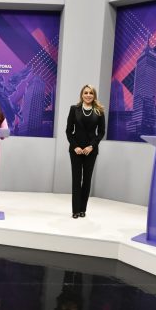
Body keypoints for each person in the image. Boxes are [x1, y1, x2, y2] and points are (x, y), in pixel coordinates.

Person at [66, 85, 105, 219]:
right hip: (75, 150)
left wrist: (91, 146)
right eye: (86, 93)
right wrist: (75, 146)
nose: (88, 95)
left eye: (91, 93)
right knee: (76, 180)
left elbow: (101, 132)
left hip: (91, 151)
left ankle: (83, 209)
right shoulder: (74, 109)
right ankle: (75, 210)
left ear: (94, 96)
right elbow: (68, 131)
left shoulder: (99, 111)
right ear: (82, 95)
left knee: (87, 180)